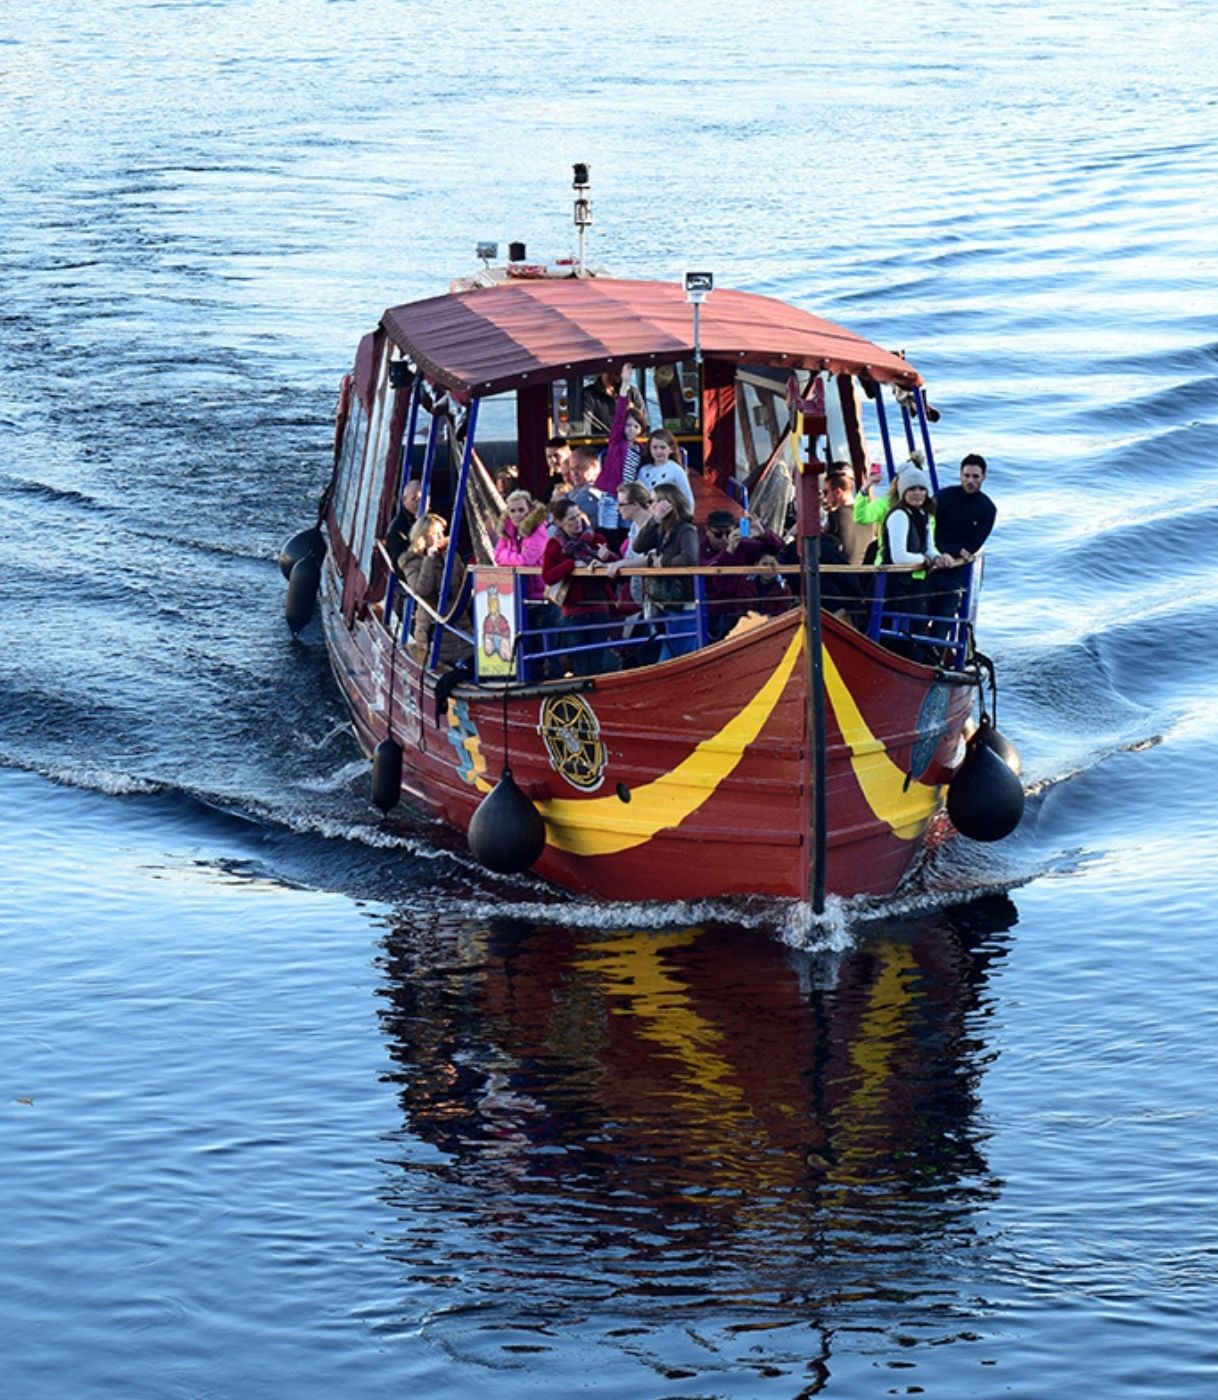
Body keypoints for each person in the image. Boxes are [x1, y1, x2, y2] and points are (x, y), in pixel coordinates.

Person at [540, 499, 620, 676]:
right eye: (571, 519)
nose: (577, 522)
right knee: (581, 664)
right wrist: (571, 565)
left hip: (599, 607)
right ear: (560, 522)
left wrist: (607, 558)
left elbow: (616, 569)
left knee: (599, 662)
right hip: (573, 612)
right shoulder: (555, 545)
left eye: (578, 516)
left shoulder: (596, 540)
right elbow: (548, 576)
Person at [882, 461, 950, 656]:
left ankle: (923, 658)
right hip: (896, 586)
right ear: (903, 491)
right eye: (912, 488)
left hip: (914, 584)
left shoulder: (922, 514)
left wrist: (938, 557)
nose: (918, 493)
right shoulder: (899, 516)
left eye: (921, 488)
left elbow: (928, 547)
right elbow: (898, 556)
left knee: (918, 627)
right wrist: (925, 560)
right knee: (901, 635)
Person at [626, 482, 699, 659]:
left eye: (654, 501)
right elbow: (638, 545)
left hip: (681, 604)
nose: (650, 505)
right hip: (664, 602)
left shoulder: (686, 530)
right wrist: (654, 520)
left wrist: (663, 561)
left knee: (676, 656)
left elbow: (689, 559)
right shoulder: (661, 530)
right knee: (674, 653)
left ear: (668, 503)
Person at [929, 454, 996, 643]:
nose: (970, 481)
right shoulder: (943, 497)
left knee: (944, 618)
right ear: (960, 475)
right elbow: (929, 530)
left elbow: (973, 546)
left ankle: (935, 657)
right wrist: (947, 551)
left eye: (975, 476)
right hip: (932, 562)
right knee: (920, 612)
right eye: (966, 475)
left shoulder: (987, 508)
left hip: (955, 571)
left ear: (983, 477)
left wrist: (956, 552)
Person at [493, 489, 554, 674]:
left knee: (545, 646)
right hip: (517, 594)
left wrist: (508, 557)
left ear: (529, 510)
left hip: (539, 595)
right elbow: (497, 555)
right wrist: (512, 556)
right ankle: (528, 674)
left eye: (521, 510)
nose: (517, 515)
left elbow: (525, 560)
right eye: (513, 511)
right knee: (525, 644)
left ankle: (551, 677)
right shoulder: (507, 531)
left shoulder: (539, 530)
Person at [398, 513, 470, 665]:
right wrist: (430, 559)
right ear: (423, 537)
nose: (440, 537)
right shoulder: (410, 562)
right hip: (433, 629)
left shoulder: (451, 556)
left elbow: (462, 582)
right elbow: (421, 590)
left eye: (441, 533)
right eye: (435, 534)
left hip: (459, 623)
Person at [635, 428, 695, 514]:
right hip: (649, 516)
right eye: (655, 447)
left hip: (670, 516)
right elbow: (639, 494)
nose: (658, 451)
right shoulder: (644, 470)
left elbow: (687, 496)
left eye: (663, 448)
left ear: (671, 449)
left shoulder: (676, 470)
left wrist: (688, 515)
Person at [581, 368, 645, 436]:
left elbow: (644, 426)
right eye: (610, 372)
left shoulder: (632, 393)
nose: (613, 376)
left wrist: (633, 412)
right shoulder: (587, 394)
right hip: (599, 444)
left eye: (617, 373)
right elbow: (586, 428)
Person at [384, 477, 423, 563]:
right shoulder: (397, 529)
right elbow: (400, 567)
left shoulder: (435, 520)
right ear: (404, 500)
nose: (419, 504)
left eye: (423, 499)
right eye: (415, 499)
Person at [544, 436, 572, 501]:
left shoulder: (577, 480)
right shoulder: (550, 482)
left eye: (557, 455)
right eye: (549, 457)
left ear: (569, 454)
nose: (553, 460)